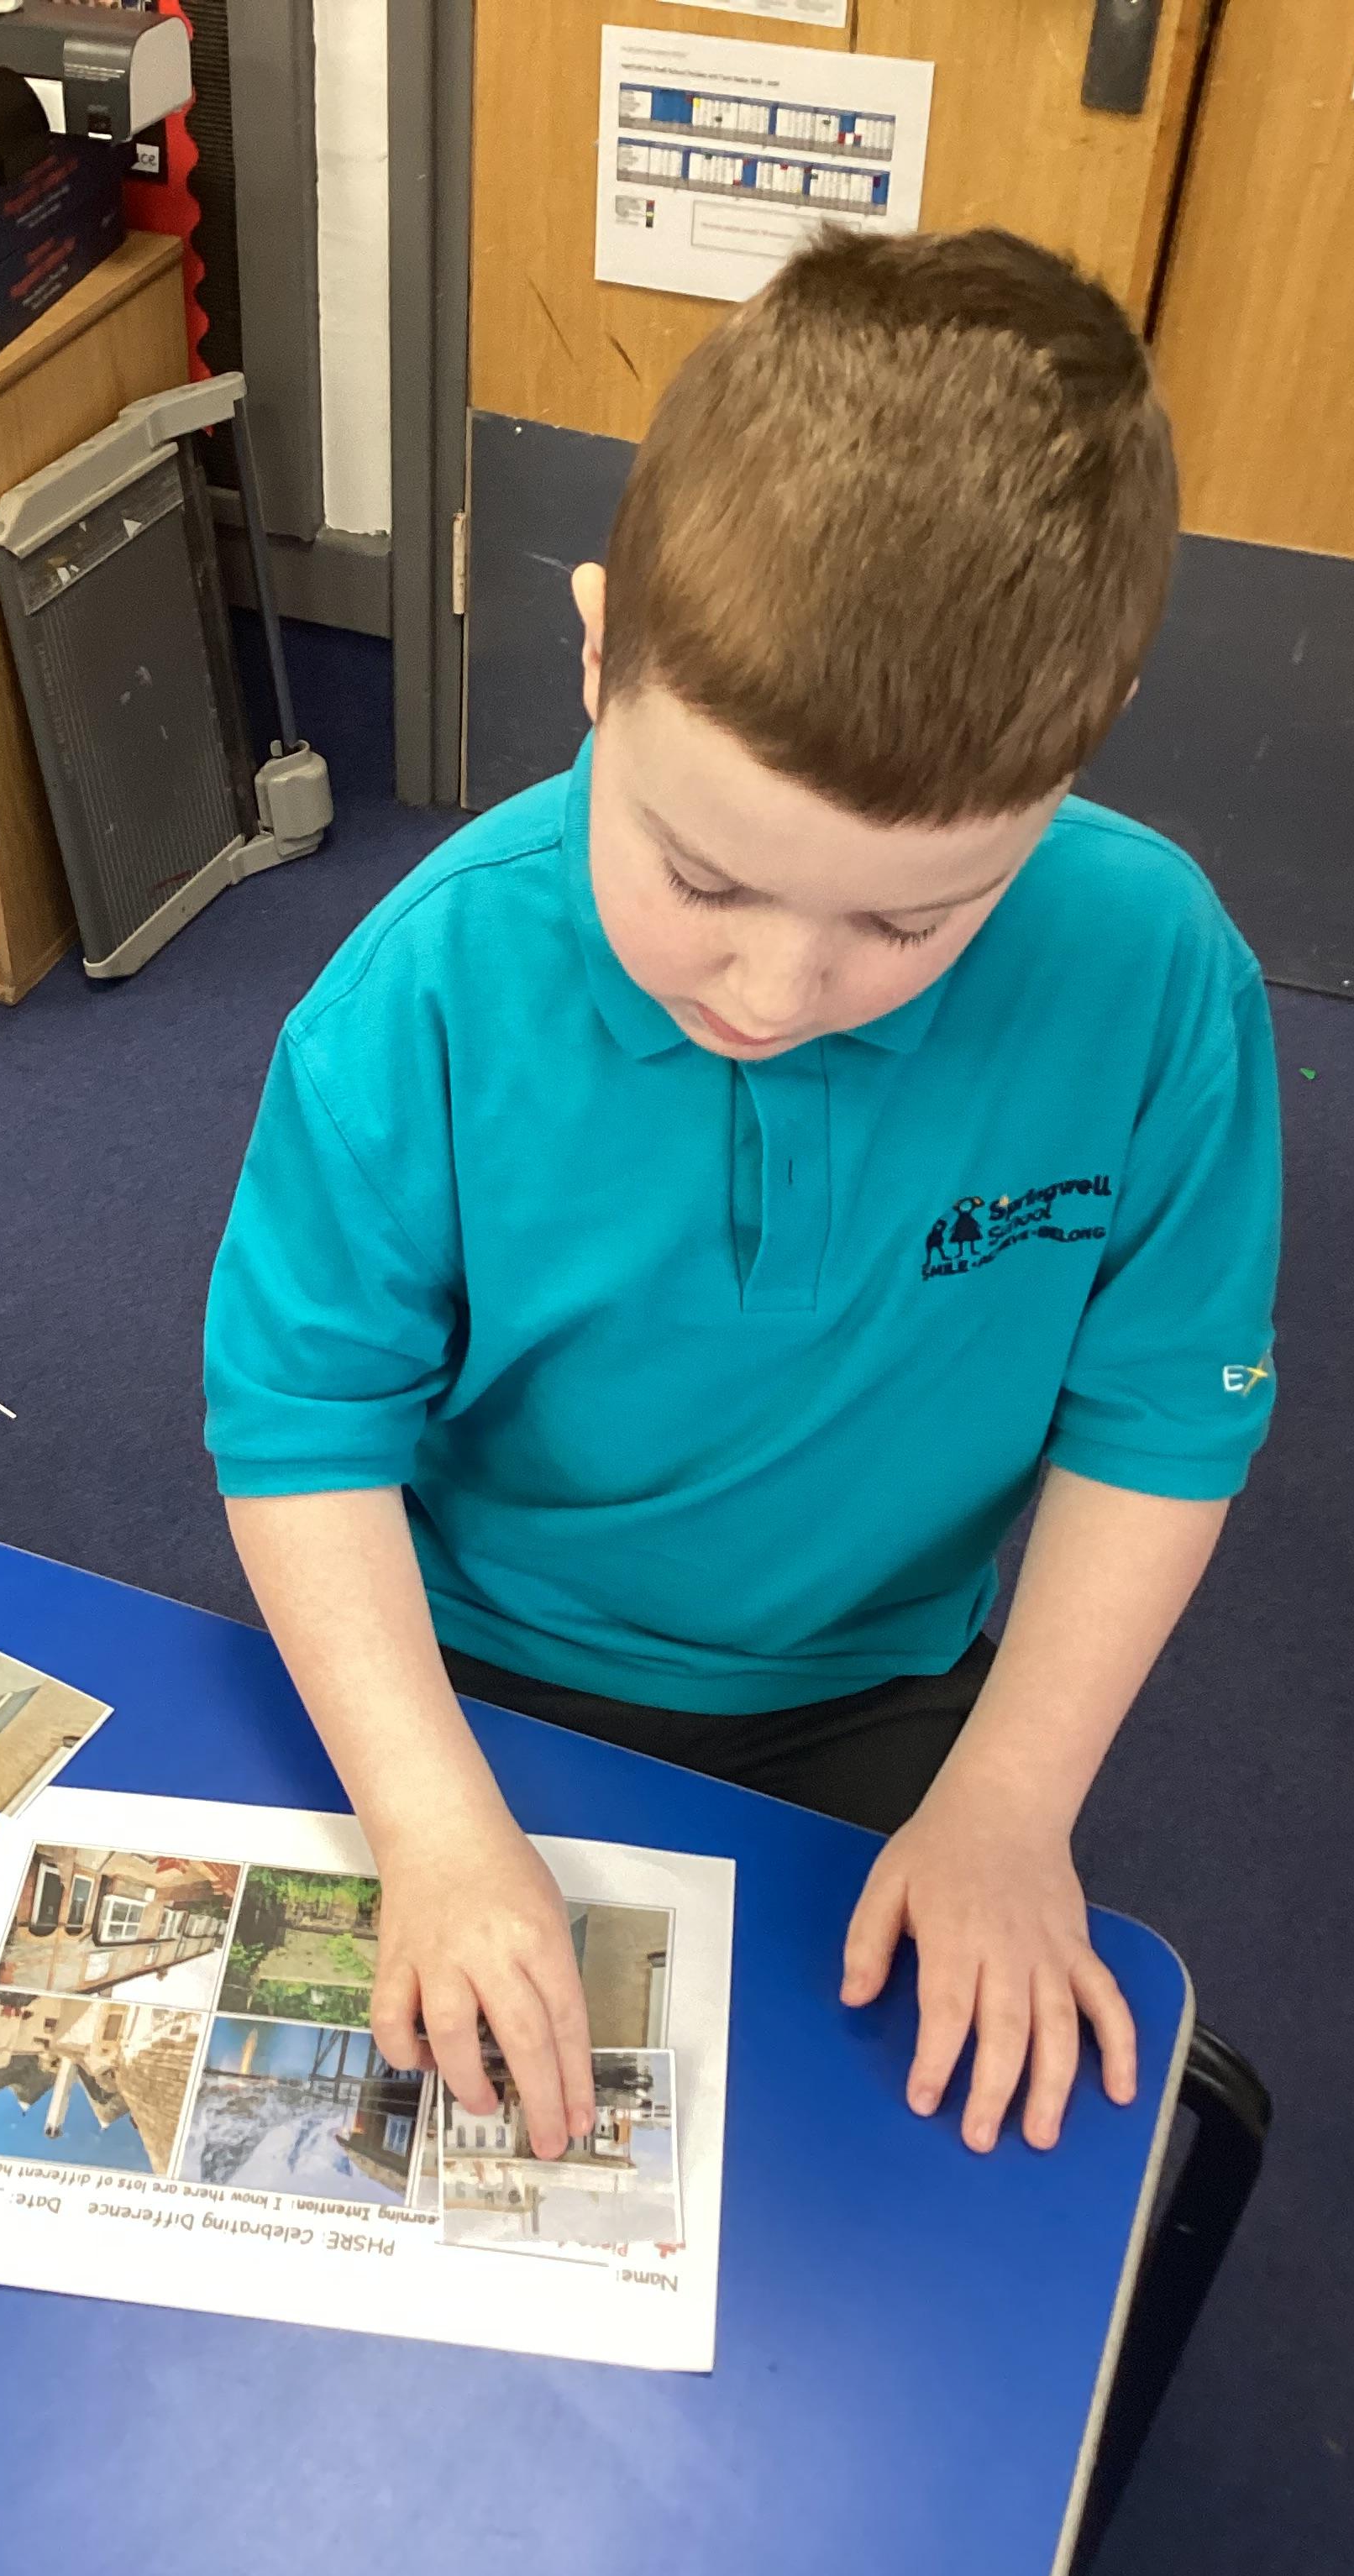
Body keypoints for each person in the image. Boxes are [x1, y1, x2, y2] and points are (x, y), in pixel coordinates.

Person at [203, 226, 1280, 2168]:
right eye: (701, 879)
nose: (776, 994)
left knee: (860, 2194)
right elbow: (300, 1427)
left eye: (913, 922)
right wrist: (433, 1823)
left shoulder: (1158, 972)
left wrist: (1013, 1799)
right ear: (598, 648)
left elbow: (1160, 1420)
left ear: (1079, 750)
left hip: (876, 1691)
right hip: (462, 1659)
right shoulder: (425, 991)